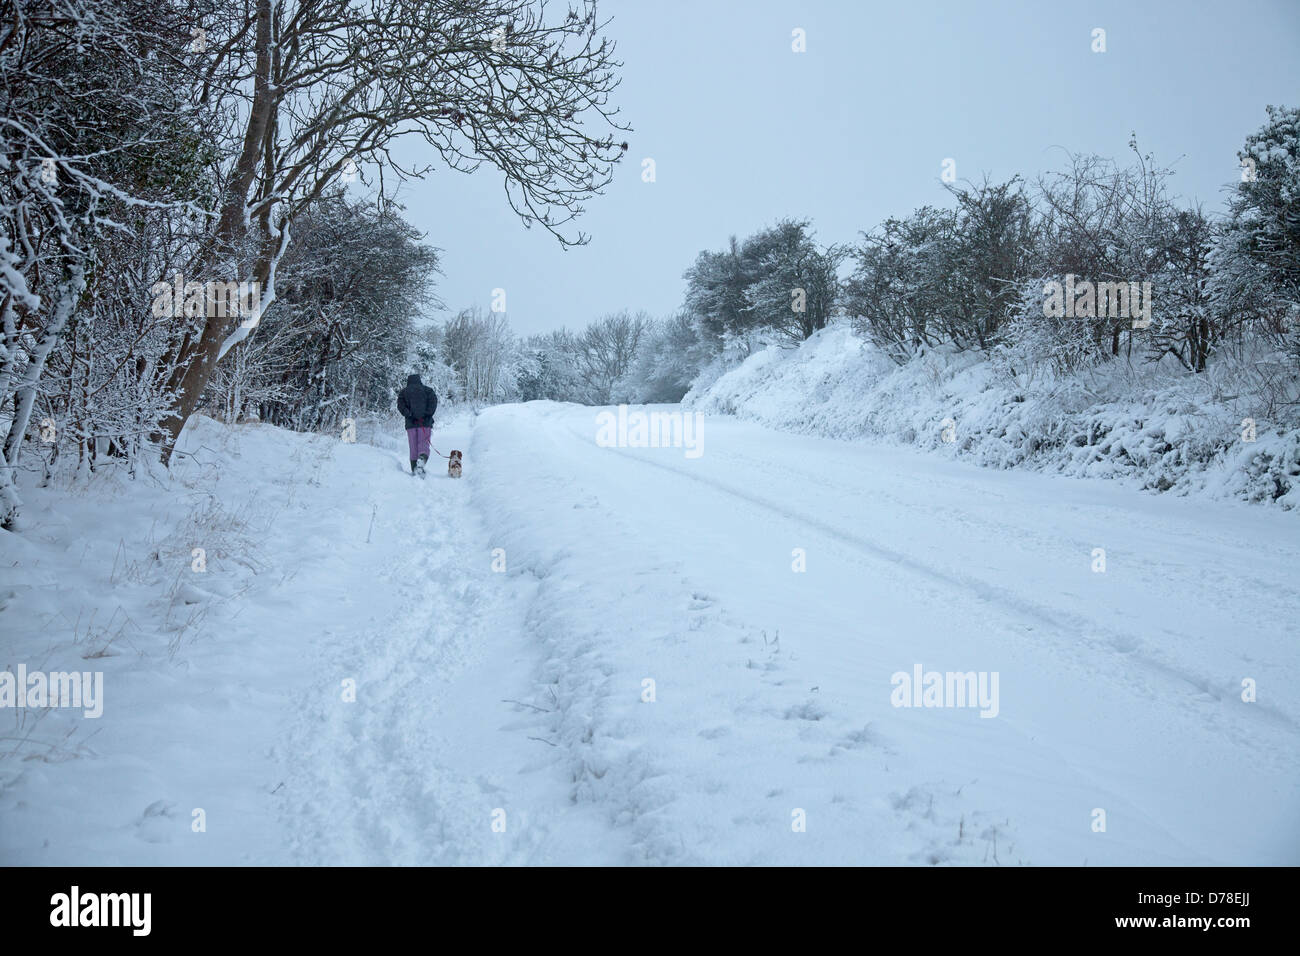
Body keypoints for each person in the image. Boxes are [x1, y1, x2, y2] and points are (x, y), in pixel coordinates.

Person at [397, 373, 438, 475]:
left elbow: (400, 406)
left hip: (411, 423)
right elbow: (433, 402)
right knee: (423, 443)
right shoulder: (427, 390)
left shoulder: (404, 392)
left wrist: (409, 414)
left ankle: (414, 469)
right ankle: (422, 460)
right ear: (419, 380)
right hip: (424, 423)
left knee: (413, 446)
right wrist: (427, 414)